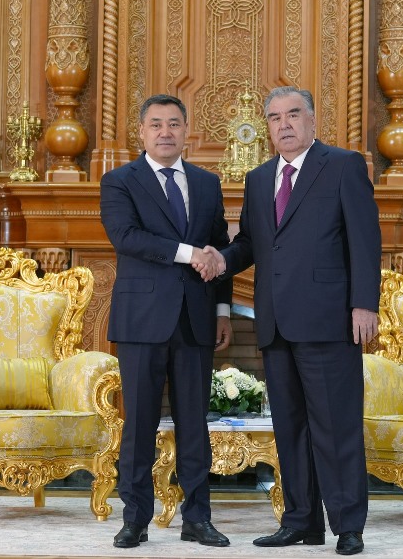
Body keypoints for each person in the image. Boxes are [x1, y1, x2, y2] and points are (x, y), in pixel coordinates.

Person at [204, 86, 380, 556]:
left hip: (330, 320)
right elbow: (251, 243)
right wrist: (221, 260)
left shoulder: (342, 165)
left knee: (336, 427)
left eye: (293, 114)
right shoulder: (260, 178)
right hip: (276, 322)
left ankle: (348, 526)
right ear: (267, 127)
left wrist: (365, 304)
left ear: (312, 120)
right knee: (290, 428)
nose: (284, 124)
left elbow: (365, 239)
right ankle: (301, 521)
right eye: (275, 117)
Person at [100, 94, 232, 549]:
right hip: (142, 321)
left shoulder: (207, 183)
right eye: (155, 124)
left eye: (173, 124)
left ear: (186, 131)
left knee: (195, 423)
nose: (165, 132)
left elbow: (219, 251)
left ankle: (198, 518)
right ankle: (135, 519)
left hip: (196, 318)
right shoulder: (119, 181)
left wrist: (222, 310)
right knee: (139, 423)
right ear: (141, 132)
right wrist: (189, 253)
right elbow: (127, 237)